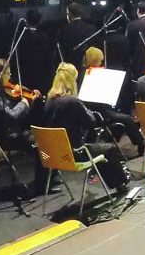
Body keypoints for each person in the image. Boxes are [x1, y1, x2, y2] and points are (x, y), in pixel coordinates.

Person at [42, 63, 130, 194]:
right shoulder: (72, 102)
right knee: (108, 148)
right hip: (75, 153)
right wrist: (86, 110)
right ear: (72, 81)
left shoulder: (49, 101)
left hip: (56, 154)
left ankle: (117, 182)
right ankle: (121, 183)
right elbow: (90, 123)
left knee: (99, 148)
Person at [0, 58, 48, 194]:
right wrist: (25, 102)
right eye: (7, 73)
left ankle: (49, 177)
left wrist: (31, 100)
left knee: (44, 137)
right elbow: (12, 117)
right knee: (40, 143)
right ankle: (41, 185)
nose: (10, 76)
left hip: (9, 133)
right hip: (2, 139)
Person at [79, 47, 144, 154]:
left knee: (122, 117)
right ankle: (141, 146)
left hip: (91, 112)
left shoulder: (82, 73)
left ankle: (113, 142)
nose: (102, 61)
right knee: (127, 119)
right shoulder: (95, 75)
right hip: (100, 112)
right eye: (100, 59)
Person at [58, 3, 97, 71]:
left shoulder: (64, 29)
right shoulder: (91, 28)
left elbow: (61, 48)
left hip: (70, 66)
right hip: (87, 65)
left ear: (70, 14)